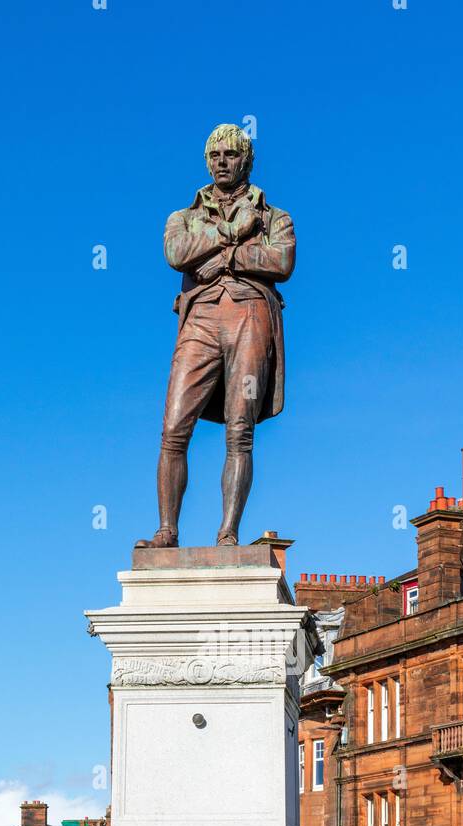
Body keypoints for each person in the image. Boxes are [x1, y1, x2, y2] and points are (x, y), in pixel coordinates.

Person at [136, 123, 295, 549]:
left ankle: (228, 533)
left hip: (250, 314)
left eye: (230, 155)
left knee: (240, 429)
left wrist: (223, 257)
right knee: (173, 427)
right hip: (200, 319)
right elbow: (176, 254)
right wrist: (231, 233)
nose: (221, 162)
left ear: (247, 160)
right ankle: (167, 530)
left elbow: (281, 262)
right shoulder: (182, 217)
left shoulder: (273, 215)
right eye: (215, 156)